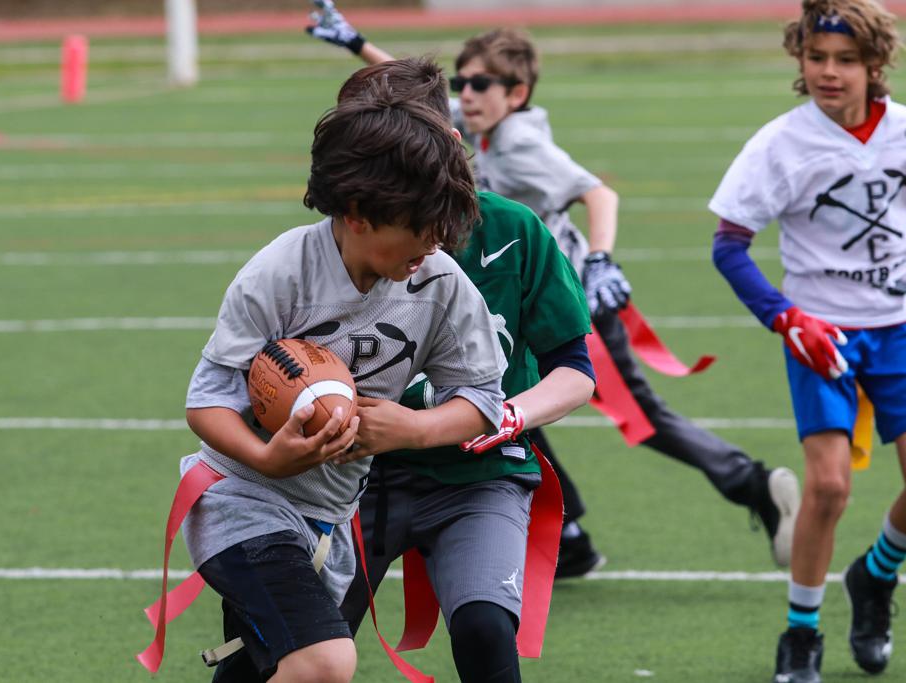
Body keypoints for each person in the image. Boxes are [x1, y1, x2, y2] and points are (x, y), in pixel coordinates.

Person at [307, 1, 802, 573]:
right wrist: (357, 44)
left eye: (481, 84)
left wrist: (602, 260)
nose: (467, 94)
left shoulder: (521, 145)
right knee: (505, 399)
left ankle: (752, 484)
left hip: (568, 298)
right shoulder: (479, 128)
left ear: (516, 94)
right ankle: (568, 534)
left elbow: (599, 193)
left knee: (636, 415)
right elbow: (414, 105)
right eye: (462, 83)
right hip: (524, 299)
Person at [178, 95, 509, 682]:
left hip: (331, 518)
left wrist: (415, 428)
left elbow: (483, 399)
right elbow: (207, 401)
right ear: (358, 213)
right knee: (324, 660)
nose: (435, 242)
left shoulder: (439, 282)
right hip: (243, 499)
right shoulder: (281, 273)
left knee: (262, 668)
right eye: (421, 225)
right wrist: (267, 457)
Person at [708, 1, 906, 680]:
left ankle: (874, 576)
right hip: (822, 335)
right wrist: (787, 318)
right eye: (816, 57)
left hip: (898, 328)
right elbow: (728, 246)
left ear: (876, 63)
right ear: (800, 58)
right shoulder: (781, 144)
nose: (828, 71)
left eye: (846, 60)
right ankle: (802, 632)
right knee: (827, 487)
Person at [331, 57, 595, 683]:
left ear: (446, 143)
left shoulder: (514, 229)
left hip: (478, 475)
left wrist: (500, 417)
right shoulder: (336, 240)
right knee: (289, 645)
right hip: (353, 477)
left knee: (484, 628)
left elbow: (575, 370)